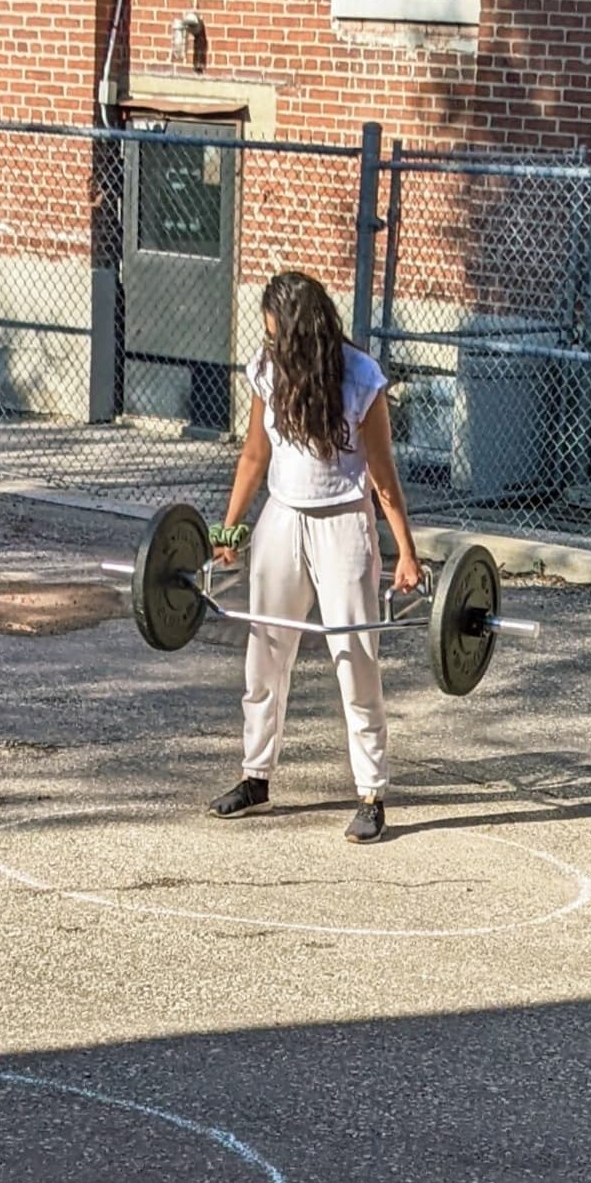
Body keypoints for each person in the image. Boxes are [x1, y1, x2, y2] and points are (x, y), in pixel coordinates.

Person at [206, 269, 423, 847]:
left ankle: (371, 793)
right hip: (282, 517)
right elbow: (254, 454)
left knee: (354, 656)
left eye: (280, 336)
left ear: (306, 332)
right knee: (265, 652)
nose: (271, 345)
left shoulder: (360, 378)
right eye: (268, 336)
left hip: (344, 525)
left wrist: (405, 550)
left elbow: (382, 475)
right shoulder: (267, 369)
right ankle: (256, 777)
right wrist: (227, 529)